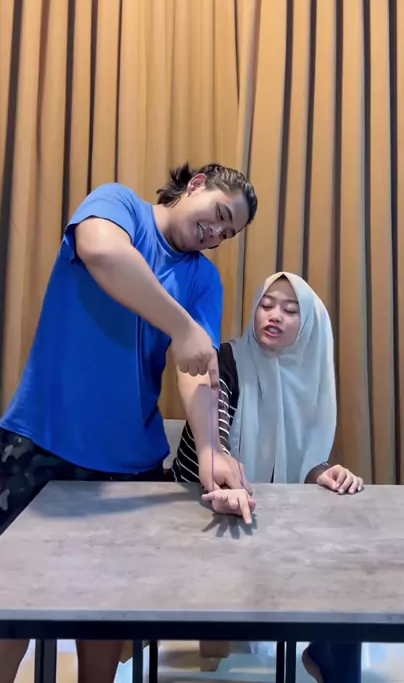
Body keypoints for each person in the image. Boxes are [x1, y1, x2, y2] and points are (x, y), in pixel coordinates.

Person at [0, 162, 257, 683]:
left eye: (227, 234)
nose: (215, 234)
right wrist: (182, 326)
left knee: (103, 620)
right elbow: (101, 251)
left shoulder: (203, 279)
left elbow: (197, 371)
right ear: (197, 185)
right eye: (219, 215)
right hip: (39, 441)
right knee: (9, 611)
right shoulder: (119, 206)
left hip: (128, 466)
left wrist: (212, 452)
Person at [172, 272, 364, 683]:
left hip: (265, 510)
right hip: (199, 506)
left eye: (290, 310)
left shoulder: (311, 377)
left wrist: (323, 472)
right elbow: (216, 429)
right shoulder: (227, 359)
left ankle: (327, 659)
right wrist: (223, 476)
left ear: (308, 327)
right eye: (267, 304)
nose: (274, 315)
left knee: (345, 556)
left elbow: (302, 458)